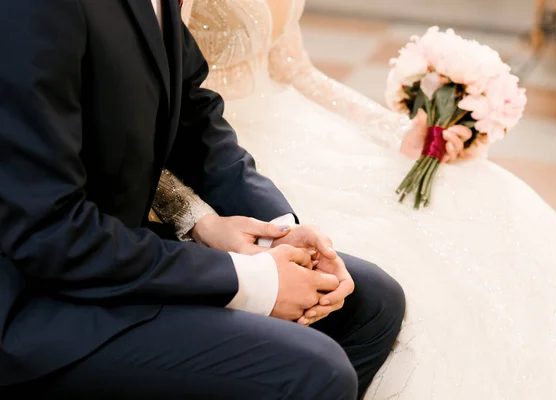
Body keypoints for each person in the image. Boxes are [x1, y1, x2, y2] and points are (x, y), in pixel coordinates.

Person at [154, 0, 556, 398]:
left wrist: (400, 132)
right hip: (218, 148)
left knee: (482, 197)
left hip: (281, 123)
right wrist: (198, 216)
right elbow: (163, 107)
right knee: (412, 282)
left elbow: (293, 69)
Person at [0, 0, 406, 398]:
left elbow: (195, 116)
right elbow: (49, 232)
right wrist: (248, 278)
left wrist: (278, 232)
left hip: (107, 248)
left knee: (371, 302)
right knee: (317, 371)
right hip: (31, 300)